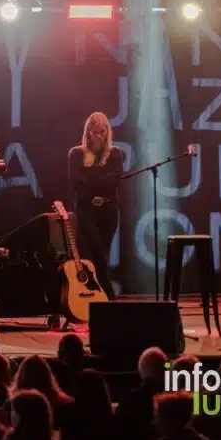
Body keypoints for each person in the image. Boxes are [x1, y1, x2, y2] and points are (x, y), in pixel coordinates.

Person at [67, 112, 124, 300]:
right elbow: (77, 182)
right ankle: (108, 297)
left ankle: (98, 296)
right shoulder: (76, 154)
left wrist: (92, 179)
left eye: (102, 132)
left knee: (103, 253)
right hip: (86, 211)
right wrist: (98, 181)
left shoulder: (114, 154)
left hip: (108, 211)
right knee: (95, 252)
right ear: (88, 132)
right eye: (95, 132)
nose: (99, 136)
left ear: (107, 132)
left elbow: (115, 180)